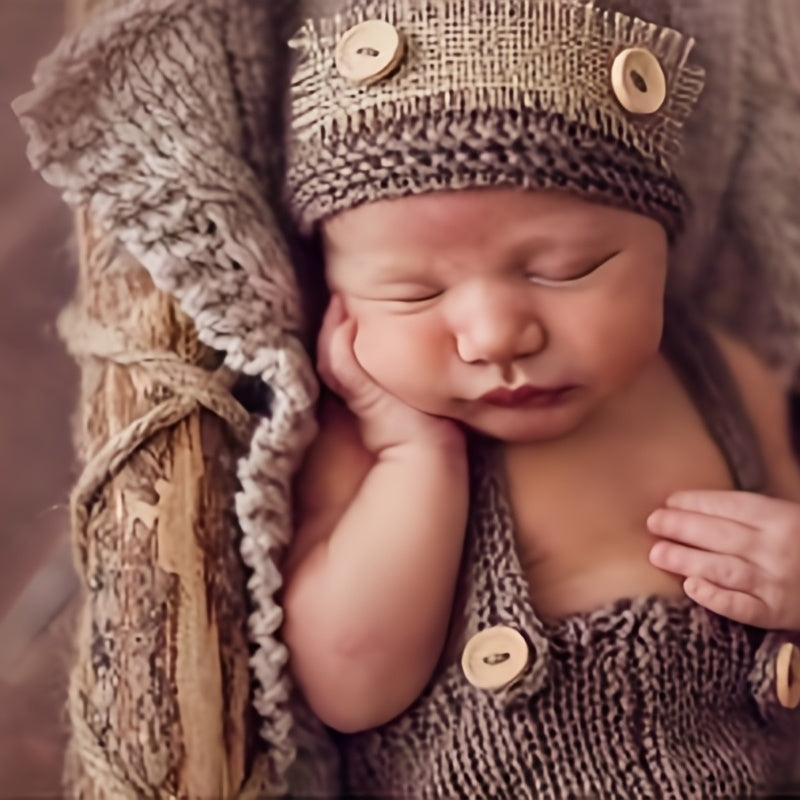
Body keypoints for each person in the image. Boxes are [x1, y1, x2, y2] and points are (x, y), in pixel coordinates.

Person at [278, 0, 800, 796]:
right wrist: (418, 459)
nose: (494, 336)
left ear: (664, 244)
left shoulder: (729, 379)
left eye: (565, 270)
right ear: (338, 299)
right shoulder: (363, 441)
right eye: (413, 295)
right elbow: (350, 689)